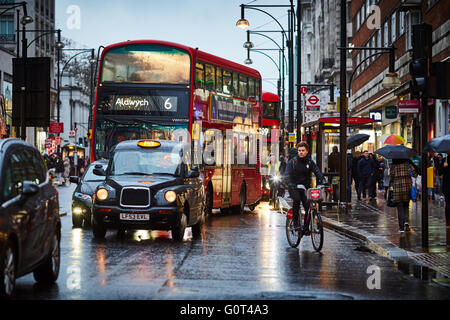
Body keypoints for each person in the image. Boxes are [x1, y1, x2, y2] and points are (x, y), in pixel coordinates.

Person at [285, 142, 326, 234]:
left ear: (307, 151)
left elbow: (317, 171)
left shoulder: (310, 162)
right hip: (294, 187)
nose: (301, 152)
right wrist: (290, 183)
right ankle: (295, 223)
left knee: (308, 206)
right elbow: (286, 175)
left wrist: (323, 180)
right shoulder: (293, 162)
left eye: (303, 150)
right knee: (296, 200)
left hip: (305, 188)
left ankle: (306, 228)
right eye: (299, 150)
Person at [390, 158, 418, 232]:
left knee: (400, 208)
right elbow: (415, 174)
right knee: (406, 206)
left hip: (398, 189)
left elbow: (391, 177)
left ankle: (401, 227)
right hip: (407, 188)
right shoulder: (408, 165)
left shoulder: (393, 165)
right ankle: (406, 222)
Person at [441, 153, 450, 227]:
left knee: (448, 204)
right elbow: (440, 172)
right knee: (448, 204)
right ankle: (448, 221)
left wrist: (446, 167)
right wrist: (444, 167)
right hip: (447, 185)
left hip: (446, 185)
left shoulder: (445, 160)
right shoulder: (444, 160)